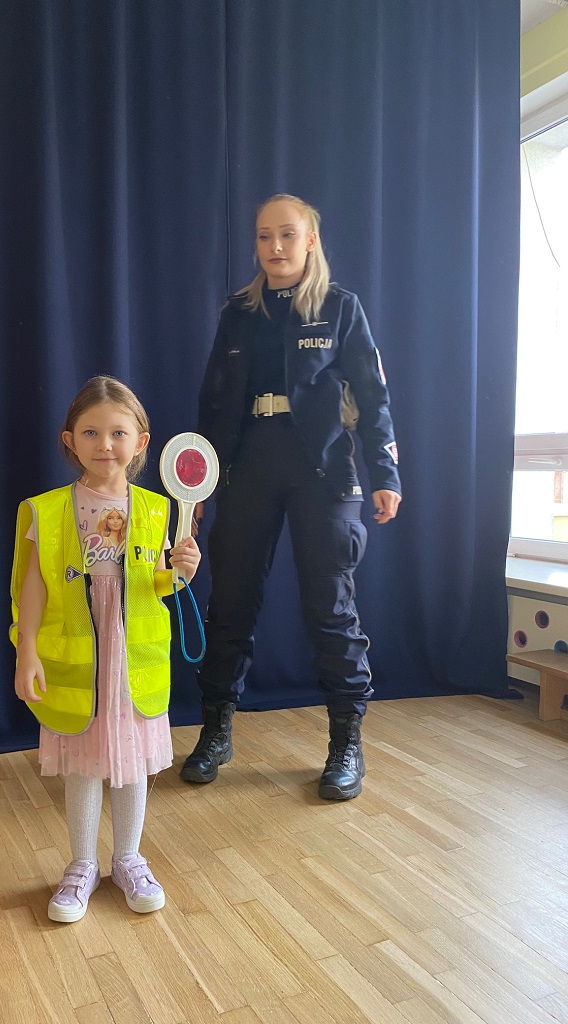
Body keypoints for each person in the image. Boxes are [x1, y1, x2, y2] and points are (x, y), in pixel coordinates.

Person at [180, 194, 402, 799]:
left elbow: (373, 396)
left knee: (330, 606)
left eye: (286, 234)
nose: (274, 247)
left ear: (310, 240)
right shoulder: (239, 312)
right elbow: (213, 403)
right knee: (231, 600)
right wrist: (197, 491)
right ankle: (216, 732)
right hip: (249, 463)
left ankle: (346, 744)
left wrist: (385, 474)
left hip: (322, 468)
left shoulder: (340, 308)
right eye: (263, 236)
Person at [11, 376, 200, 922]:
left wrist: (182, 573)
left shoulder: (157, 510)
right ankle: (82, 864)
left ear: (141, 442)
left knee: (132, 758)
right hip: (78, 659)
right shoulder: (48, 510)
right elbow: (33, 585)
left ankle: (128, 858)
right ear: (69, 439)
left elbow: (156, 585)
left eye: (118, 432)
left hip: (131, 656)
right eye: (90, 432)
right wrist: (27, 652)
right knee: (83, 759)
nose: (104, 444)